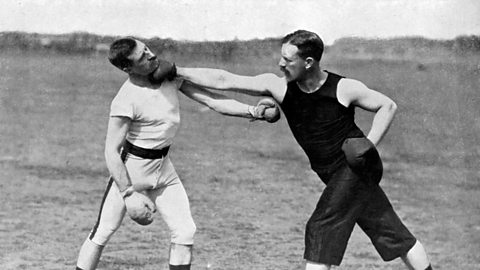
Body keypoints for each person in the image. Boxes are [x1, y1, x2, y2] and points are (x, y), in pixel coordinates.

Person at [165, 30, 433, 270]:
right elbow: (224, 79)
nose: (281, 64)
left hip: (355, 166)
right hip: (332, 171)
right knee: (389, 229)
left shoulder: (343, 88)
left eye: (288, 59)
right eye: (281, 57)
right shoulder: (279, 86)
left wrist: (368, 144)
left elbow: (388, 106)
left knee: (321, 226)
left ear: (308, 62)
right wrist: (177, 70)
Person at [75, 37, 277, 270]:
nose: (151, 55)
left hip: (164, 170)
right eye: (142, 56)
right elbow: (111, 151)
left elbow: (211, 100)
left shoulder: (169, 78)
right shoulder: (125, 99)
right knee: (102, 232)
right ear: (127, 68)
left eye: (147, 49)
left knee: (185, 231)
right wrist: (128, 194)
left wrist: (254, 111)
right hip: (132, 171)